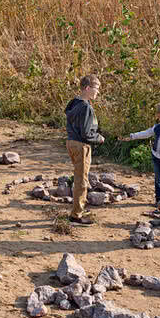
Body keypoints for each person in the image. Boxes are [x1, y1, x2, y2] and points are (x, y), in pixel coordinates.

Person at [119, 102, 160, 208]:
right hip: (156, 157)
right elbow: (146, 133)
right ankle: (158, 199)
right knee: (157, 178)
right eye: (159, 117)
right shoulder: (157, 127)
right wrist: (132, 136)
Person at [65, 75, 105, 226]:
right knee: (81, 180)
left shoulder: (74, 102)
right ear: (87, 88)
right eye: (96, 89)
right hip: (81, 145)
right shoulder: (86, 106)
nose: (98, 92)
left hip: (71, 142)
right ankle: (76, 215)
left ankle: (78, 207)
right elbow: (87, 134)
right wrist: (99, 138)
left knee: (79, 177)